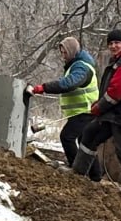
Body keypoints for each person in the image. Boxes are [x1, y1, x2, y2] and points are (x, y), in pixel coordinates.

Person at [71, 29, 121, 199]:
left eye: (117, 43)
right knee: (90, 133)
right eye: (111, 43)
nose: (113, 46)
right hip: (115, 114)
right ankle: (76, 176)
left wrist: (98, 108)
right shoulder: (120, 60)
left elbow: (115, 94)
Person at [28, 36, 103, 182]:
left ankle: (77, 172)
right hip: (84, 112)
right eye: (61, 53)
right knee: (86, 145)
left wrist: (43, 88)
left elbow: (68, 84)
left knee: (67, 137)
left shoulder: (81, 67)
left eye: (64, 53)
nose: (63, 56)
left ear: (72, 51)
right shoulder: (79, 65)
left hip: (84, 112)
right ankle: (95, 176)